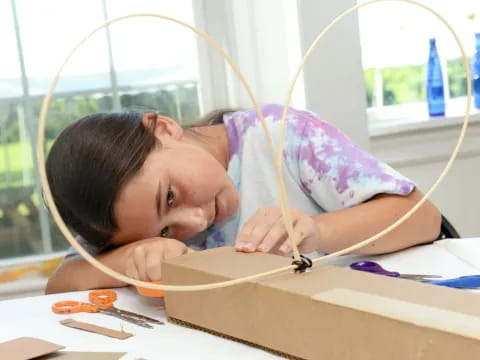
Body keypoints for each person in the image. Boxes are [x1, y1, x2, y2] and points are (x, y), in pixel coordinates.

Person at [45, 104, 441, 294]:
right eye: (167, 229)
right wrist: (130, 258)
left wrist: (317, 230)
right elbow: (60, 286)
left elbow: (423, 217)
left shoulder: (283, 137)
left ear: (164, 127)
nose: (195, 223)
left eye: (170, 196)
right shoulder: (120, 212)